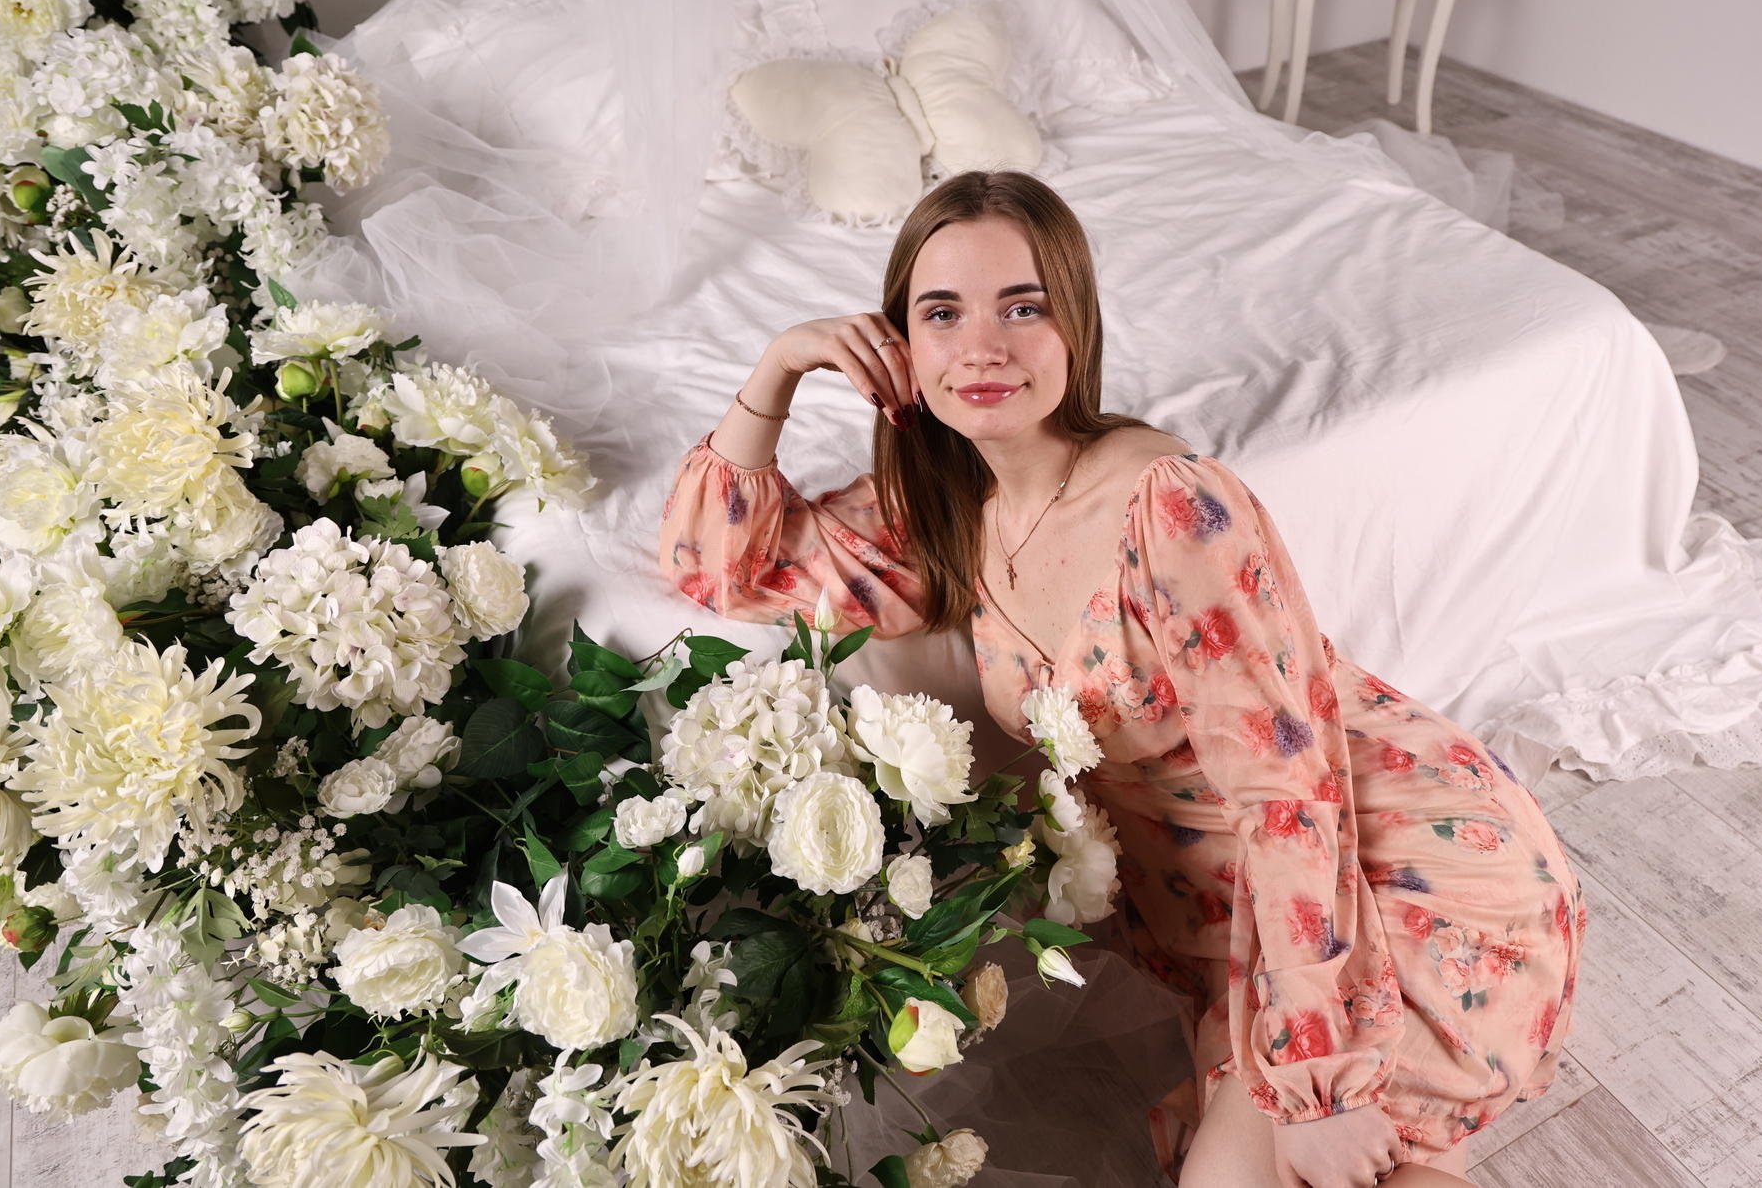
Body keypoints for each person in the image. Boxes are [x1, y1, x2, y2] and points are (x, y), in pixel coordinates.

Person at [658, 169, 1588, 1188]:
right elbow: (718, 563)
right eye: (942, 312)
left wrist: (1320, 1078)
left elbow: (1290, 791)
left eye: (1024, 307)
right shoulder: (942, 518)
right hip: (1230, 921)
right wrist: (783, 364)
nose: (982, 345)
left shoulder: (1170, 506)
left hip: (1385, 864)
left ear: (1075, 327)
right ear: (900, 345)